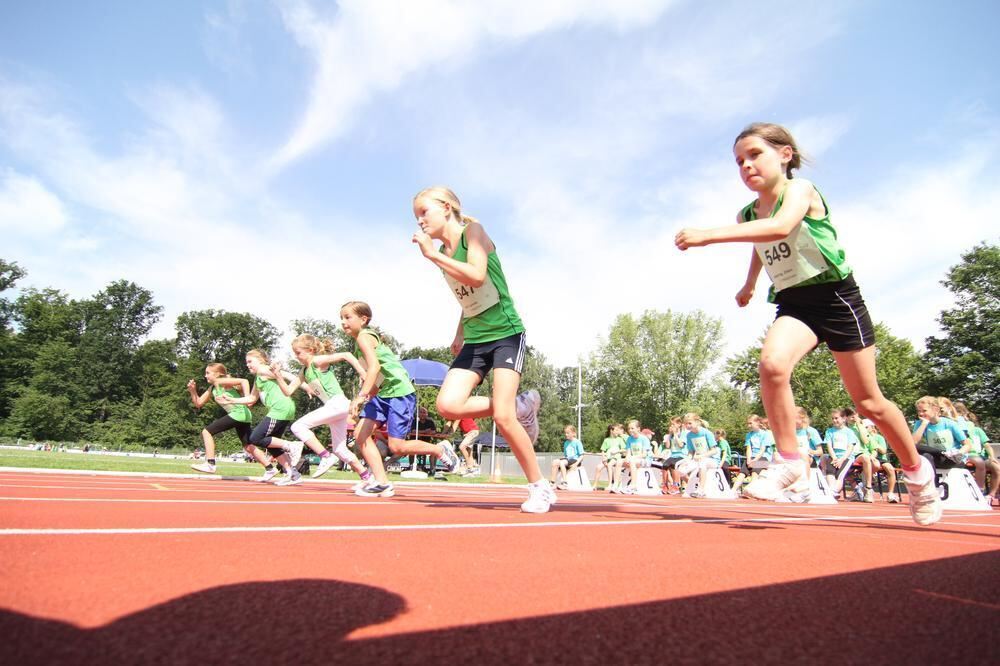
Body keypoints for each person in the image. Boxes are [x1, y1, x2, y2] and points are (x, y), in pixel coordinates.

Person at [674, 122, 942, 525]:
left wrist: (708, 235)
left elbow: (780, 227)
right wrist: (749, 283)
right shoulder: (748, 213)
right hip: (795, 301)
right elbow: (760, 241)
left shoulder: (800, 190)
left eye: (754, 155)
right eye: (739, 161)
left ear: (784, 155)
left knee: (868, 403)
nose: (746, 165)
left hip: (836, 299)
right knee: (772, 366)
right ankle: (790, 462)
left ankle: (918, 474)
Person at [411, 186, 553, 513]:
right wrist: (459, 331)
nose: (420, 221)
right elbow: (467, 296)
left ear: (446, 208)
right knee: (447, 405)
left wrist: (432, 255)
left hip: (506, 333)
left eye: (424, 212)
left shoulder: (472, 232)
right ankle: (521, 406)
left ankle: (540, 487)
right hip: (475, 338)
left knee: (503, 418)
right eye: (416, 216)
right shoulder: (445, 250)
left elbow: (475, 275)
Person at [342, 302, 461, 498]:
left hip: (399, 393)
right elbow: (378, 379)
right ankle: (381, 483)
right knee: (360, 435)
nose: (343, 322)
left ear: (363, 320)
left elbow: (374, 369)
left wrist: (360, 397)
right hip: (382, 395)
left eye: (348, 317)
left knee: (396, 446)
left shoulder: (364, 337)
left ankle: (439, 450)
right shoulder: (359, 344)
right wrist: (367, 397)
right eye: (342, 318)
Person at [273, 334, 372, 484]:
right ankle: (368, 478)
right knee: (339, 449)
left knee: (298, 426)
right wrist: (277, 375)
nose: (296, 356)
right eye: (294, 353)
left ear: (310, 350)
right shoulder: (304, 371)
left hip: (337, 404)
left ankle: (325, 456)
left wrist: (363, 374)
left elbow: (347, 355)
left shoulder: (317, 361)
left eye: (298, 353)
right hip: (335, 408)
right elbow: (288, 391)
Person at [216, 350, 303, 486]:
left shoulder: (263, 370)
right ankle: (292, 474)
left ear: (261, 360)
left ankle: (292, 445)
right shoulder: (258, 378)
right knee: (273, 446)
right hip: (283, 410)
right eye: (246, 362)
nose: (248, 365)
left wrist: (305, 386)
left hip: (280, 408)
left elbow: (286, 375)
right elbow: (251, 398)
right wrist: (231, 399)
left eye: (250, 361)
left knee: (255, 438)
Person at [186, 363, 270, 475]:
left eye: (208, 373)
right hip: (244, 415)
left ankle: (210, 464)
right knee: (248, 446)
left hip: (239, 413)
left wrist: (247, 398)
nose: (205, 376)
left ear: (218, 374)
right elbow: (198, 403)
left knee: (207, 432)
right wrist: (193, 391)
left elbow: (244, 381)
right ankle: (270, 468)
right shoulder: (212, 388)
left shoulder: (223, 381)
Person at [911, 395, 971, 476]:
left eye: (924, 411)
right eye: (919, 411)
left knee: (928, 456)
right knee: (920, 452)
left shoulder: (949, 423)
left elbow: (967, 444)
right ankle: (931, 483)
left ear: (935, 409)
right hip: (937, 456)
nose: (921, 414)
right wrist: (924, 424)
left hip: (952, 458)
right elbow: (913, 442)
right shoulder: (920, 423)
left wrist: (959, 453)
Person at [821, 408, 860, 496]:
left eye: (836, 418)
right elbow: (829, 446)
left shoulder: (849, 432)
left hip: (845, 457)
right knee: (830, 472)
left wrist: (842, 459)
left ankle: (834, 491)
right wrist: (834, 457)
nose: (834, 420)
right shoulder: (829, 431)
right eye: (833, 418)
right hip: (834, 456)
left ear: (843, 419)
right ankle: (831, 490)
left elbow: (850, 447)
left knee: (839, 475)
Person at [731, 414, 773, 494]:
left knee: (754, 471)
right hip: (752, 458)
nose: (749, 425)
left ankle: (752, 490)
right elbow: (749, 448)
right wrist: (749, 460)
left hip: (764, 458)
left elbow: (762, 450)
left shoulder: (765, 434)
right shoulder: (749, 435)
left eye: (750, 423)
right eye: (748, 423)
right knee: (742, 472)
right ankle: (733, 490)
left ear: (757, 423)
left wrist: (754, 460)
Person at [683, 413, 720, 498]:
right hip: (698, 459)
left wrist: (702, 456)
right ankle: (692, 487)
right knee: (681, 468)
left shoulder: (707, 433)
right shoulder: (689, 435)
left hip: (712, 460)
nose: (688, 426)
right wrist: (686, 461)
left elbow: (714, 450)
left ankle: (701, 490)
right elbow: (691, 452)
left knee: (703, 462)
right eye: (686, 424)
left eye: (690, 423)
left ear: (696, 422)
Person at [864, 421, 899, 503]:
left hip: (881, 458)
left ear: (872, 428)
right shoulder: (863, 437)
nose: (865, 429)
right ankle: (867, 485)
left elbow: (883, 451)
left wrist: (873, 442)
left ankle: (890, 493)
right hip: (870, 458)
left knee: (890, 469)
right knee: (873, 465)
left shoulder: (879, 438)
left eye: (867, 427)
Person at [622, 420, 653, 494]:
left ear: (638, 429)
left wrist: (633, 457)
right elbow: (628, 452)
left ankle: (633, 486)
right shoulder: (629, 439)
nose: (630, 430)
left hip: (646, 460)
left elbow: (644, 455)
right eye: (629, 428)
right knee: (619, 462)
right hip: (634, 459)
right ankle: (615, 485)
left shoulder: (644, 439)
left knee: (632, 461)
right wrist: (626, 458)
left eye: (632, 428)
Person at [551, 425, 585, 489]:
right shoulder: (566, 443)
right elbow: (566, 455)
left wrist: (576, 464)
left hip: (575, 460)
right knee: (555, 462)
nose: (566, 434)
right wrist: (562, 459)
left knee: (561, 463)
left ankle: (565, 483)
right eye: (565, 433)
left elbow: (582, 455)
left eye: (568, 433)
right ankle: (552, 483)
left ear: (573, 433)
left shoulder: (577, 442)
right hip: (567, 460)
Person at [597, 423, 626, 492]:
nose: (617, 432)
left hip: (616, 457)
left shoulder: (620, 439)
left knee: (610, 465)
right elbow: (603, 450)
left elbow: (624, 449)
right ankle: (595, 485)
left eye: (618, 430)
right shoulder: (606, 440)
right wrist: (603, 458)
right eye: (616, 430)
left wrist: (617, 452)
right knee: (598, 467)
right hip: (608, 458)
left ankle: (610, 483)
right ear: (611, 431)